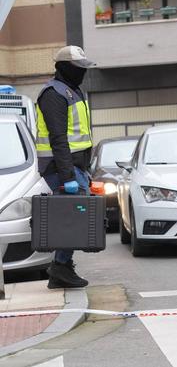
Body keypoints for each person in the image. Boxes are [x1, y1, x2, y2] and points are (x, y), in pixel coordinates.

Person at [36, 45, 96, 289]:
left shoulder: (73, 90)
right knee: (76, 215)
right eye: (78, 67)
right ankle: (60, 267)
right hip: (60, 167)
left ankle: (60, 268)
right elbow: (58, 138)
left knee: (74, 216)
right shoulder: (53, 94)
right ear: (63, 68)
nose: (82, 72)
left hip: (74, 166)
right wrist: (68, 176)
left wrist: (83, 169)